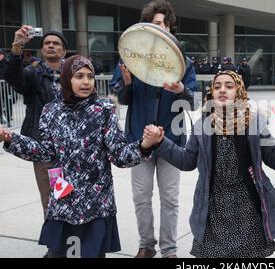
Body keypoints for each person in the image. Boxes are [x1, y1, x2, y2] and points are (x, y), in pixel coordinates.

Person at [0, 55, 158, 258]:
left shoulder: (104, 111)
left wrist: (144, 146)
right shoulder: (51, 111)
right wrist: (11, 139)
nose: (86, 82)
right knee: (59, 254)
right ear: (67, 78)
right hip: (63, 203)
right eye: (79, 76)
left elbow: (119, 155)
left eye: (90, 76)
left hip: (96, 206)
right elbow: (45, 152)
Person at [142, 70, 275, 258]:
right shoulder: (202, 125)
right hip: (212, 210)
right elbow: (187, 161)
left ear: (239, 91)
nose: (222, 90)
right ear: (211, 94)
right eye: (217, 86)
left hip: (247, 210)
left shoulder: (254, 122)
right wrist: (161, 142)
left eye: (229, 86)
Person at [109, 0, 197, 258]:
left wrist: (183, 90)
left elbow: (193, 101)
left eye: (163, 23)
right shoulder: (131, 59)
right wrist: (124, 84)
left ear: (170, 27)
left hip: (171, 140)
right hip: (140, 138)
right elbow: (122, 98)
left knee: (170, 199)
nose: (160, 28)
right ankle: (146, 245)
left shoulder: (184, 62)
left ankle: (169, 250)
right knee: (141, 197)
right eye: (153, 24)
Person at [4, 26, 68, 220]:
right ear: (42, 49)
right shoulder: (33, 73)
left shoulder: (73, 72)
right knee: (52, 195)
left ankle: (74, 238)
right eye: (47, 43)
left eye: (55, 43)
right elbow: (13, 77)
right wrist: (16, 48)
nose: (50, 46)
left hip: (72, 147)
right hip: (44, 148)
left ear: (64, 50)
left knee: (71, 194)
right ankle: (55, 243)